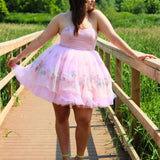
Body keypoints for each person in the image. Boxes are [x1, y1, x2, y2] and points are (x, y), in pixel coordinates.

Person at [7, 0, 157, 159]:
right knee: (62, 117)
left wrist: (135, 55)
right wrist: (19, 57)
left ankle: (79, 157)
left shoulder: (96, 17)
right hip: (61, 72)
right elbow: (41, 39)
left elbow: (113, 37)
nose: (93, 0)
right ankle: (65, 156)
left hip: (87, 74)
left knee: (84, 119)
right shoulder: (61, 18)